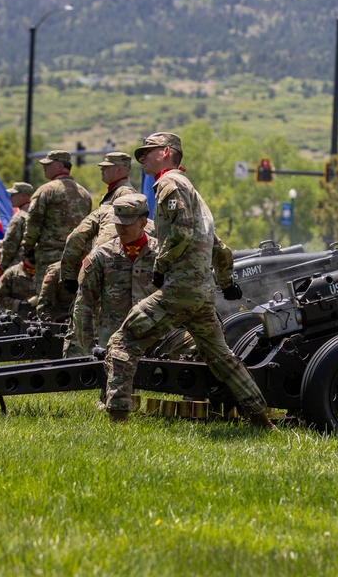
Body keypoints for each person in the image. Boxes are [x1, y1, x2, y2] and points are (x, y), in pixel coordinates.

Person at [103, 132, 272, 427]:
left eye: (148, 152)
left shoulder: (169, 184)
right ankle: (260, 418)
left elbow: (182, 233)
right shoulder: (192, 191)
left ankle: (117, 418)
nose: (142, 158)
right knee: (223, 358)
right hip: (202, 294)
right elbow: (220, 247)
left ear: (167, 152)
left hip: (179, 290)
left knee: (123, 340)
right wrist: (226, 283)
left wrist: (160, 265)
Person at [70, 192, 195, 362]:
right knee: (119, 385)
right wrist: (90, 347)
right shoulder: (101, 256)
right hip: (117, 342)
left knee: (200, 344)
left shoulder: (163, 254)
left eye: (127, 224)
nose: (121, 228)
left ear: (144, 222)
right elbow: (84, 304)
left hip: (158, 338)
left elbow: (182, 295)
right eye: (118, 223)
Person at [59, 152, 139, 293]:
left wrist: (69, 275)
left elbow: (116, 234)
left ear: (119, 170)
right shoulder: (114, 193)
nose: (102, 169)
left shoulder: (125, 195)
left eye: (107, 167)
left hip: (113, 264)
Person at [20, 150, 92, 294]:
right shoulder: (84, 193)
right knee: (71, 302)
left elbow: (33, 223)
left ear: (60, 166)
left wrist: (28, 249)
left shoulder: (46, 191)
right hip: (76, 258)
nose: (44, 167)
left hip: (49, 257)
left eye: (48, 164)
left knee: (47, 301)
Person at [0, 182, 33, 270]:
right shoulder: (36, 214)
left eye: (13, 195)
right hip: (33, 265)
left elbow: (9, 245)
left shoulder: (19, 217)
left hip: (17, 267)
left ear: (22, 195)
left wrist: (3, 265)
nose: (10, 198)